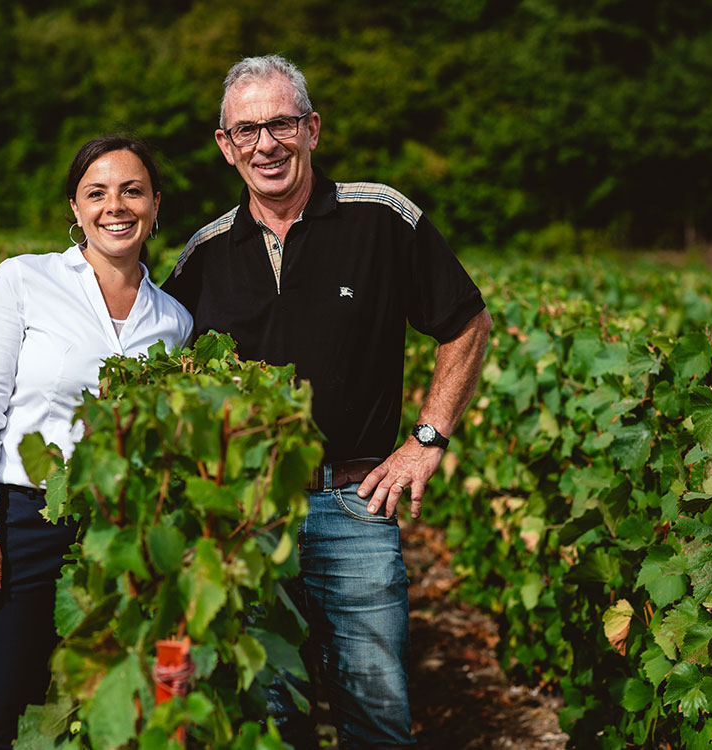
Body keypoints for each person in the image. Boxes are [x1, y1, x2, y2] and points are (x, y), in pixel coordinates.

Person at [160, 55, 492, 749]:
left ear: (312, 129)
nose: (266, 144)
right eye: (246, 130)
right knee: (270, 720)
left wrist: (426, 440)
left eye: (281, 123)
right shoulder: (205, 255)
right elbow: (144, 346)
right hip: (248, 518)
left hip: (354, 507)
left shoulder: (381, 219)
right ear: (225, 147)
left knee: (376, 716)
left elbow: (465, 322)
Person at [0, 135, 193, 749]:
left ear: (156, 205)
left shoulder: (176, 321)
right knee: (5, 714)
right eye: (98, 193)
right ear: (76, 208)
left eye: (132, 191)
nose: (116, 206)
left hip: (119, 532)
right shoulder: (24, 279)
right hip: (24, 521)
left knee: (114, 713)